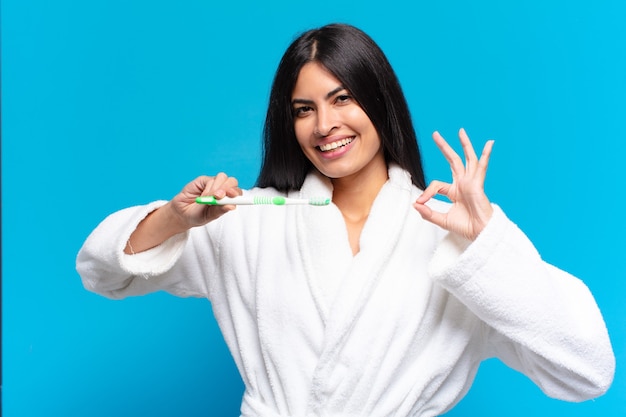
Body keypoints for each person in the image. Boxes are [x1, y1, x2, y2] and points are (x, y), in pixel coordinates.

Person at [76, 23, 614, 416]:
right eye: (303, 109)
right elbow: (101, 271)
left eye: (343, 98)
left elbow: (587, 370)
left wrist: (488, 247)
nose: (325, 125)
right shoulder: (247, 221)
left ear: (381, 102)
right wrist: (172, 220)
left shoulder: (457, 241)